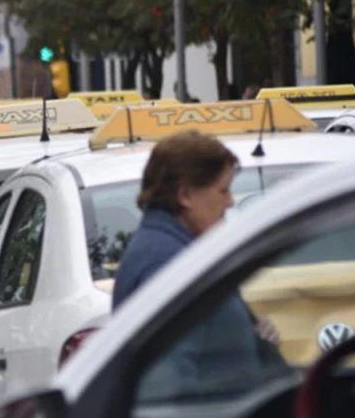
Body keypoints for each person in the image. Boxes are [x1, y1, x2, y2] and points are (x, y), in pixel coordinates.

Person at [113, 131, 280, 385]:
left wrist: (256, 341)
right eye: (222, 190)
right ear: (186, 195)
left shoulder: (176, 253)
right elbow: (168, 386)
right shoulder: (165, 266)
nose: (230, 201)